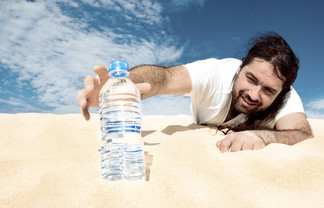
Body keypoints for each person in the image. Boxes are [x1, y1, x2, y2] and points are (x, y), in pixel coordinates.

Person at [77, 32, 313, 152]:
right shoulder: (216, 72)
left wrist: (263, 136)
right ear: (240, 68)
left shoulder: (286, 96)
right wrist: (121, 86)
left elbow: (300, 134)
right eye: (250, 79)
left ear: (280, 92)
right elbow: (163, 77)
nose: (253, 94)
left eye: (268, 91)